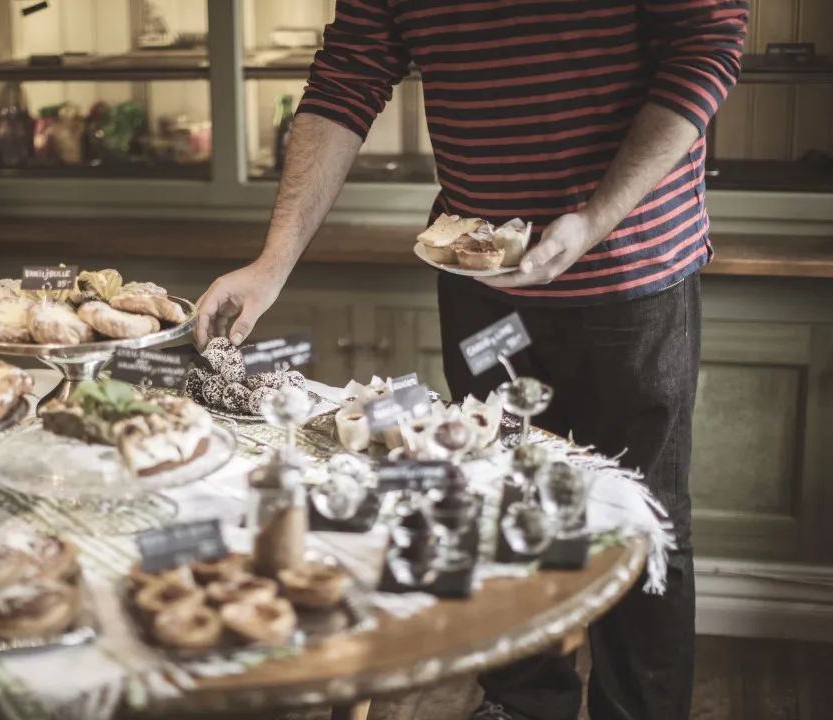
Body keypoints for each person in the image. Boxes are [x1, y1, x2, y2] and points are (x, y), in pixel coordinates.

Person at [194, 2, 748, 718]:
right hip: (484, 289)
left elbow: (707, 44)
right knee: (496, 492)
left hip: (630, 275)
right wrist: (272, 264)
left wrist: (594, 219)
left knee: (637, 519)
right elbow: (347, 77)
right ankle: (521, 706)